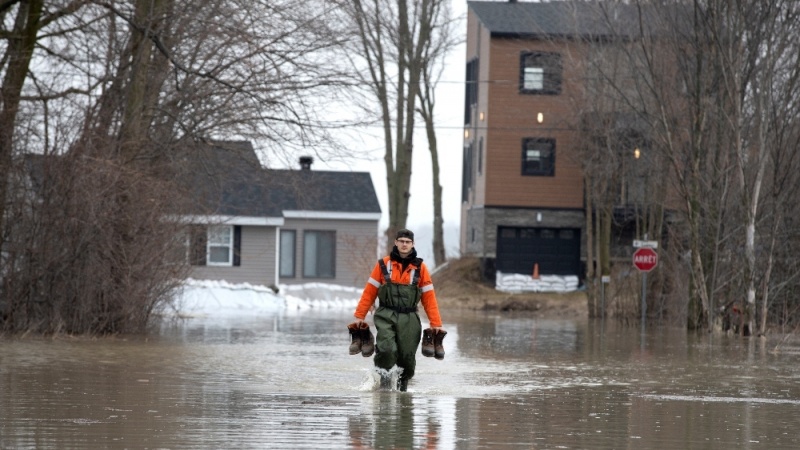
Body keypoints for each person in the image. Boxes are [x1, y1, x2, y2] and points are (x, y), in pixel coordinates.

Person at [352, 228, 445, 391]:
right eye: (401, 241)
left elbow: (429, 298)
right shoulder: (383, 265)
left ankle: (402, 389)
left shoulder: (421, 268)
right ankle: (384, 384)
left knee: (407, 357)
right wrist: (360, 315)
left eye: (407, 242)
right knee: (387, 349)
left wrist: (436, 323)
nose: (404, 244)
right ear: (395, 242)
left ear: (412, 244)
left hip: (410, 318)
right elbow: (369, 291)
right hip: (385, 315)